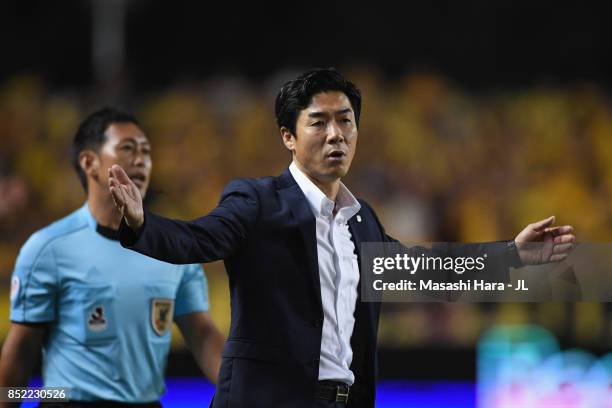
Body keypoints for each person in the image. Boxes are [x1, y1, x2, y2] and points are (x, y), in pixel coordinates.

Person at [108, 69, 575, 408]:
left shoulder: (361, 221)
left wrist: (512, 256)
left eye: (346, 120)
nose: (336, 134)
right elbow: (197, 240)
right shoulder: (256, 202)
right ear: (288, 137)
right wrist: (140, 223)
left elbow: (424, 274)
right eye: (319, 122)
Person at [0, 107, 225, 407]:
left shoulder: (172, 248)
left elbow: (202, 335)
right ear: (90, 162)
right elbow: (17, 362)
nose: (141, 159)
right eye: (127, 149)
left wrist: (243, 392)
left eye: (146, 151)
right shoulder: (47, 249)